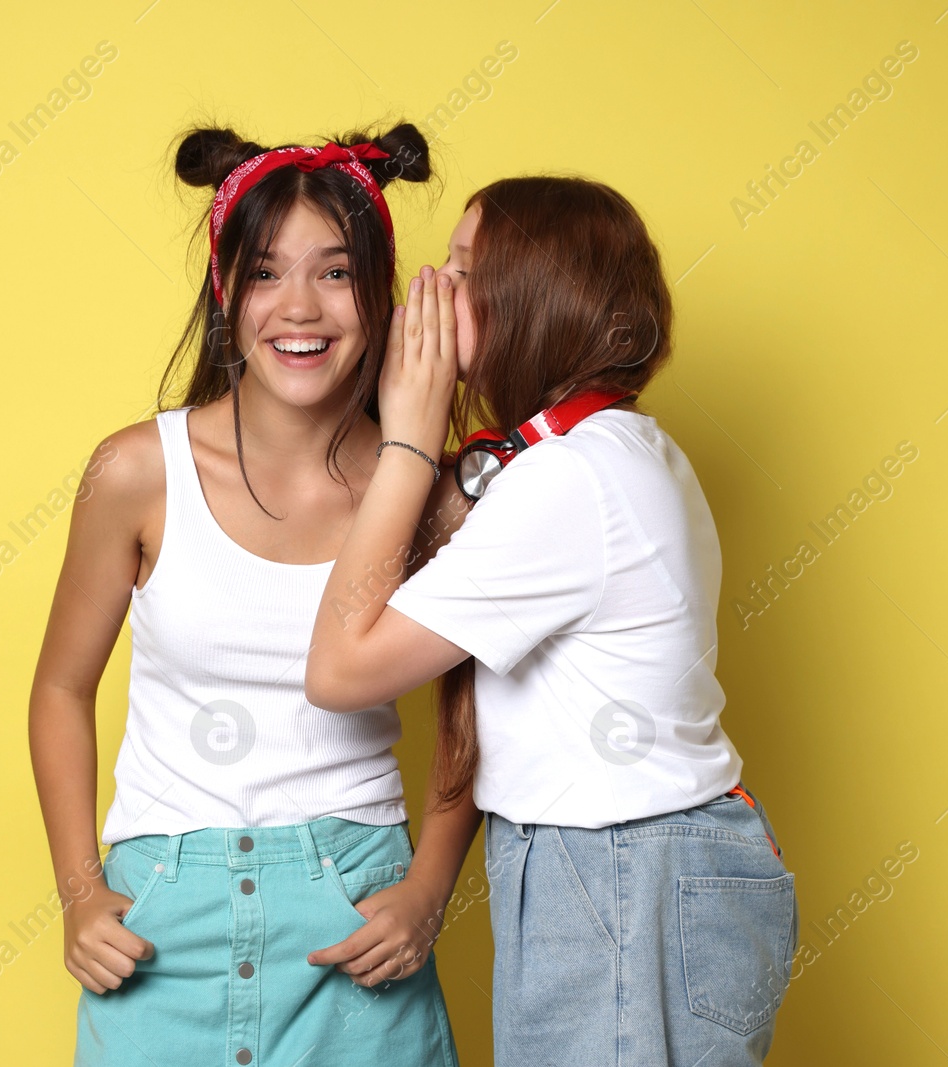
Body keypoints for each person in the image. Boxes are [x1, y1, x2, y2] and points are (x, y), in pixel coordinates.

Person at [306, 175, 800, 1066]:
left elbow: (340, 670)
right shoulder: (615, 451)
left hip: (619, 867)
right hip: (633, 859)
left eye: (460, 270)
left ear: (526, 305)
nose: (430, 288)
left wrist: (412, 440)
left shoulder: (571, 480)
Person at [28, 121, 464, 1067]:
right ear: (228, 292)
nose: (299, 308)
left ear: (380, 294)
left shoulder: (427, 490)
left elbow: (479, 702)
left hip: (354, 916)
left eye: (337, 273)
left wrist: (430, 884)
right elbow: (61, 688)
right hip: (160, 920)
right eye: (266, 272)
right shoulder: (138, 472)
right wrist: (78, 891)